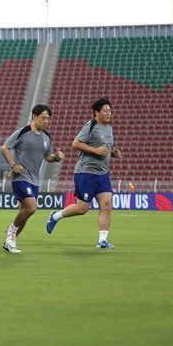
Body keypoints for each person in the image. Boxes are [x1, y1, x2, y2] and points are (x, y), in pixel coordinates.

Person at [45, 98, 122, 248]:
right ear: (96, 112)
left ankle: (102, 241)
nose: (109, 113)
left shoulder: (109, 129)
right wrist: (96, 151)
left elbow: (104, 148)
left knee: (106, 206)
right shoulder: (91, 125)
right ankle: (55, 216)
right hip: (86, 173)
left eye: (110, 111)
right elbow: (76, 143)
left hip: (103, 174)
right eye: (105, 111)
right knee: (82, 209)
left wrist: (113, 153)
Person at [0, 104, 63, 253]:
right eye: (43, 118)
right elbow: (4, 147)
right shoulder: (23, 132)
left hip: (34, 180)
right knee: (32, 207)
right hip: (20, 177)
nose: (46, 121)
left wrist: (56, 158)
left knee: (25, 213)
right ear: (34, 116)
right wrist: (13, 164)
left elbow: (47, 157)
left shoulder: (47, 137)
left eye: (48, 119)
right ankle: (11, 232)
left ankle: (9, 242)